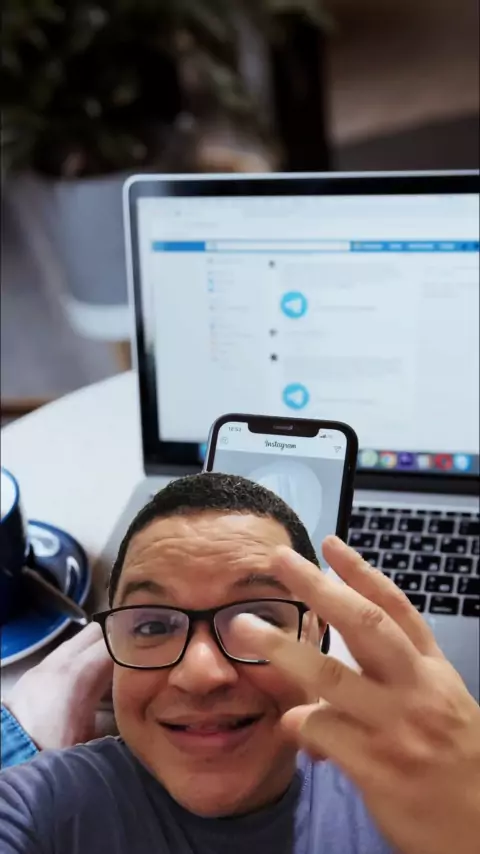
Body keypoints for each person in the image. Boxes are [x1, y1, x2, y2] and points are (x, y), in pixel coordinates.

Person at [0, 473, 479, 854]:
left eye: (257, 620)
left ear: (317, 636)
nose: (201, 675)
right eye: (153, 626)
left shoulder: (425, 792)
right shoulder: (37, 806)